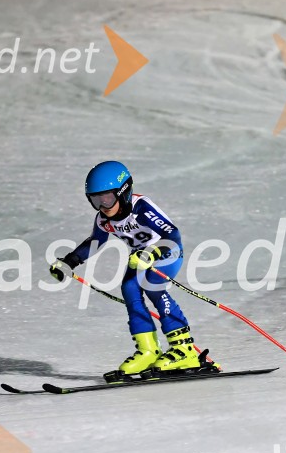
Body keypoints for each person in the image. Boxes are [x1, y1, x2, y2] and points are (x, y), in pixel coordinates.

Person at [49, 160, 214, 376]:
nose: (102, 206)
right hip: (139, 258)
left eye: (107, 198)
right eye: (96, 200)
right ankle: (149, 351)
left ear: (124, 192)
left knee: (153, 287)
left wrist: (152, 253)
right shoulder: (103, 220)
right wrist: (69, 262)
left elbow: (172, 235)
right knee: (129, 290)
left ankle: (184, 350)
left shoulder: (142, 208)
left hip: (166, 252)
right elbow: (95, 243)